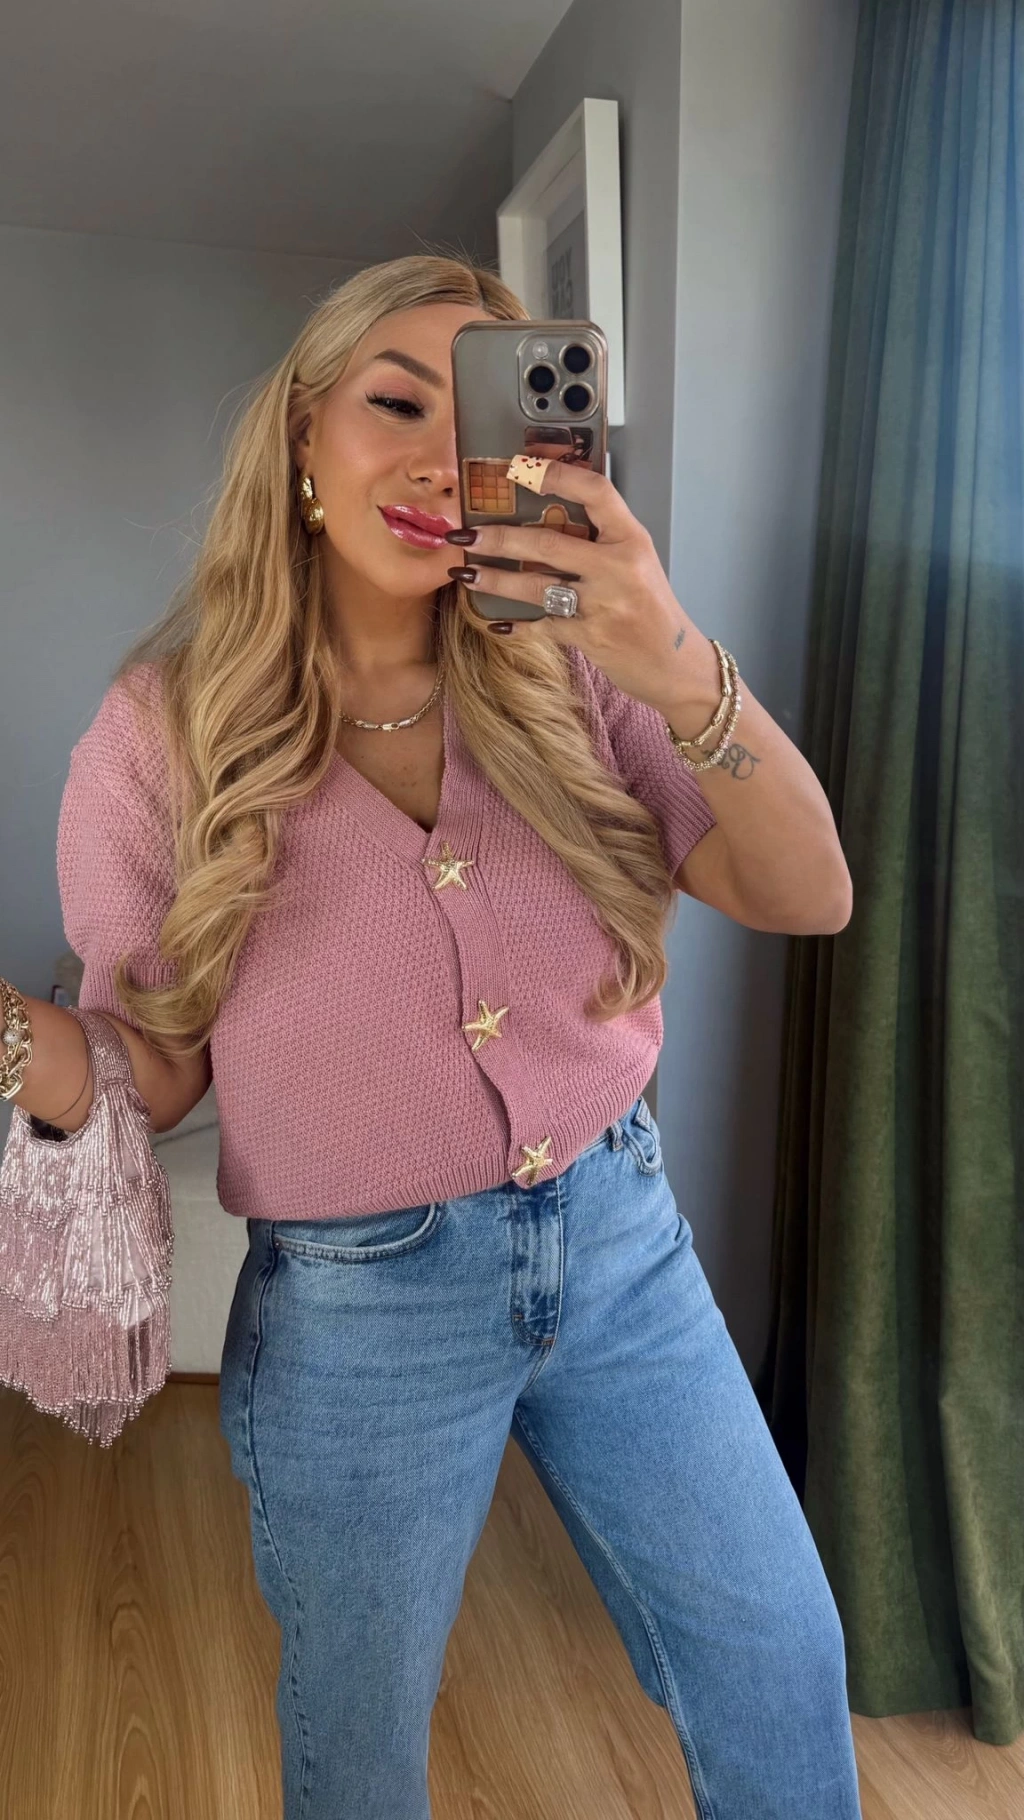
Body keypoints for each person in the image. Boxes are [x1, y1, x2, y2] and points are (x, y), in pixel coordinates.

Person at [1, 253, 862, 1819]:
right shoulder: (161, 733)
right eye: (395, 403)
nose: (435, 460)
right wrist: (15, 1044)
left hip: (623, 1245)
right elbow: (152, 1069)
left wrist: (671, 653)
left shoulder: (576, 673)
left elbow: (812, 892)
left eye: (475, 424)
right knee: (361, 1755)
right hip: (360, 1316)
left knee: (781, 1664)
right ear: (302, 439)